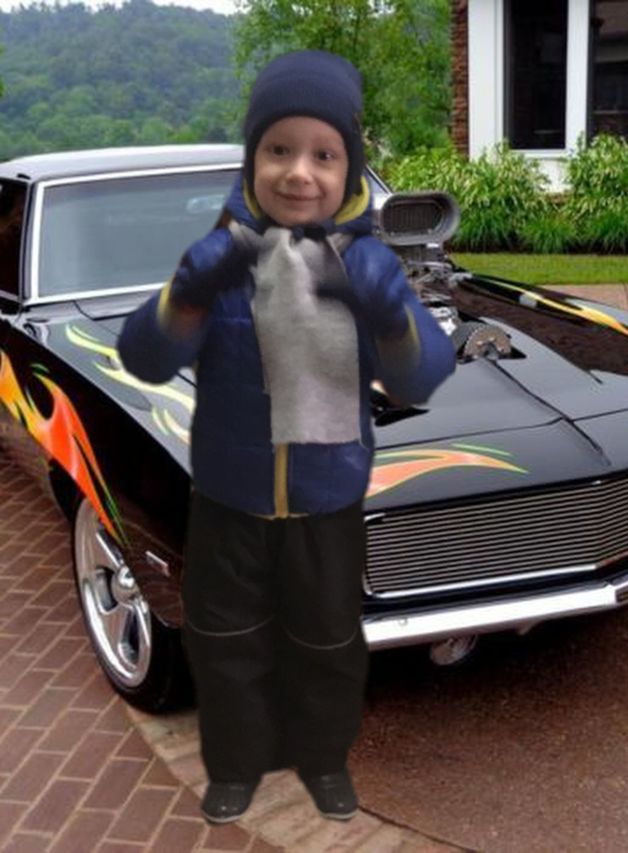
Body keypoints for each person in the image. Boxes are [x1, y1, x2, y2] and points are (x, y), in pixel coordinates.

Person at [117, 49, 455, 825]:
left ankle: (325, 761)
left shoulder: (367, 263)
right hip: (228, 500)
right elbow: (145, 355)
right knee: (223, 643)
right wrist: (187, 291)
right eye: (279, 149)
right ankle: (235, 767)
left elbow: (421, 377)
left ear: (349, 168)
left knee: (328, 645)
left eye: (323, 155)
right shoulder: (223, 257)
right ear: (253, 158)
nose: (299, 172)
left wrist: (388, 312)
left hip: (326, 502)